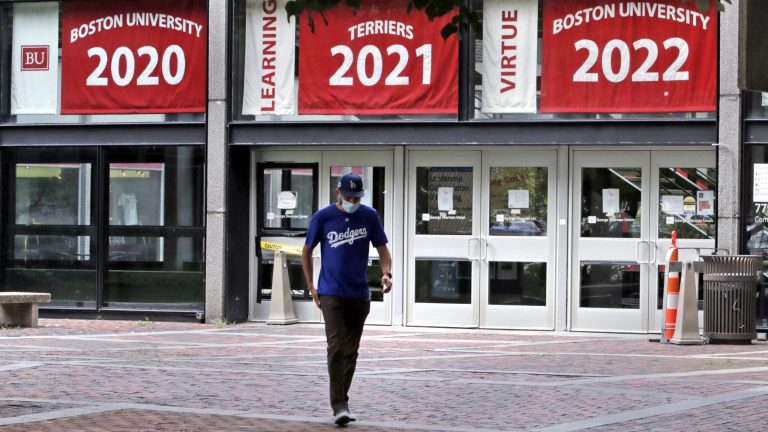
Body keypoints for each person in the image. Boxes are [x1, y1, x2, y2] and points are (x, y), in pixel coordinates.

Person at [301, 172, 393, 426]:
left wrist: (387, 273)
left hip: (358, 294)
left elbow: (383, 249)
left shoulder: (368, 216)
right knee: (336, 347)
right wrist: (311, 285)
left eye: (357, 196)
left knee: (351, 352)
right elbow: (306, 251)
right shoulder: (324, 217)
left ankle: (343, 400)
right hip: (331, 292)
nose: (353, 200)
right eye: (349, 196)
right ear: (337, 192)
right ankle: (339, 405)